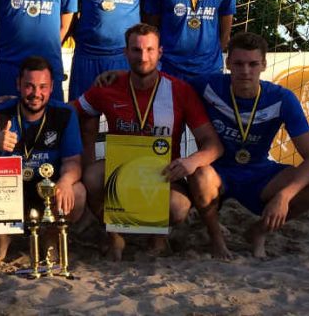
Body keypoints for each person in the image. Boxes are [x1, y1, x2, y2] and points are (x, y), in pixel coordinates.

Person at [75, 23, 223, 258]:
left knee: (179, 207)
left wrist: (191, 162)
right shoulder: (107, 87)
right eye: (136, 50)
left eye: (150, 50)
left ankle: (158, 239)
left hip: (162, 175)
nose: (143, 57)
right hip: (120, 173)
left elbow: (213, 144)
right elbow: (67, 113)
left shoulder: (180, 91)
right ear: (125, 53)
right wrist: (17, 105)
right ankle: (114, 235)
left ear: (160, 52)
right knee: (92, 176)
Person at [188, 32, 309, 258]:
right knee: (199, 174)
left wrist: (284, 196)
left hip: (259, 173)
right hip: (218, 171)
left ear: (264, 64)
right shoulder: (207, 85)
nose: (245, 71)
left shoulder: (282, 98)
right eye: (239, 63)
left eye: (253, 64)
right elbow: (161, 81)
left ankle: (257, 232)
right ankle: (216, 238)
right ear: (228, 63)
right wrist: (121, 75)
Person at [0, 56, 86, 261]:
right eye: (29, 86)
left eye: (43, 86)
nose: (36, 93)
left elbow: (73, 162)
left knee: (77, 192)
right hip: (8, 191)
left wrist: (65, 181)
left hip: (47, 189)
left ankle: (50, 237)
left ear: (52, 87)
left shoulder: (65, 114)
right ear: (18, 84)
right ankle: (3, 237)